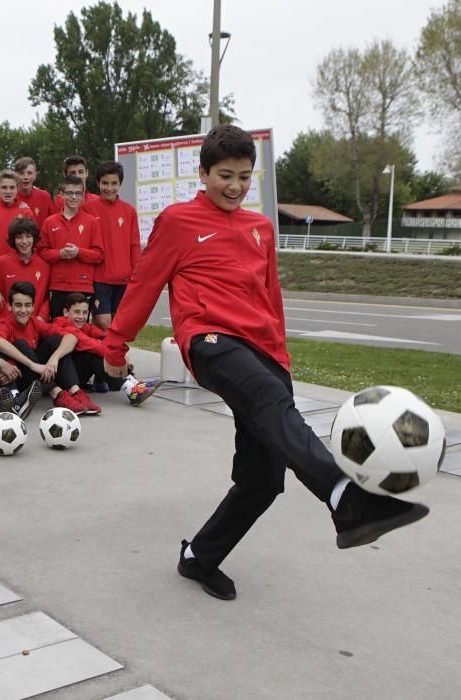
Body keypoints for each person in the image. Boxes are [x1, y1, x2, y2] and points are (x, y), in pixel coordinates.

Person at [104, 124, 429, 601]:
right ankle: (346, 498)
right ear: (203, 173)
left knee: (262, 480)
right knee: (266, 398)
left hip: (263, 351)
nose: (234, 186)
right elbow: (145, 284)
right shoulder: (178, 221)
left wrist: (282, 357)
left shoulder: (260, 229)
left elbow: (271, 297)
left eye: (242, 176)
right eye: (224, 175)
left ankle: (199, 557)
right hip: (210, 340)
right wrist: (116, 348)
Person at [0, 281, 101, 415]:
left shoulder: (34, 322)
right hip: (17, 377)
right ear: (9, 306)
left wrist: (54, 358)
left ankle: (76, 392)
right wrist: (32, 365)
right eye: (18, 305)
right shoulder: (4, 323)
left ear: (33, 307)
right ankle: (58, 395)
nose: (23, 310)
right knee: (21, 344)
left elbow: (71, 337)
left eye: (27, 305)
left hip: (38, 375)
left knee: (56, 341)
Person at [55, 292, 162, 403]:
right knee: (94, 353)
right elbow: (94, 346)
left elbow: (106, 338)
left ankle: (135, 384)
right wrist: (120, 358)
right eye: (77, 312)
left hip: (77, 373)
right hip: (64, 380)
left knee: (106, 344)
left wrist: (119, 353)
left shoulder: (84, 326)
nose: (81, 316)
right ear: (66, 312)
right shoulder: (64, 326)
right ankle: (132, 391)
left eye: (85, 312)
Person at [83, 161, 142, 331]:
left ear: (120, 184)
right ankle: (103, 355)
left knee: (120, 324)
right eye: (105, 183)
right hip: (99, 278)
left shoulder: (129, 211)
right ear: (98, 183)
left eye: (114, 183)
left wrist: (135, 277)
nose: (109, 188)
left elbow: (134, 246)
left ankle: (112, 356)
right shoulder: (87, 209)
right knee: (102, 322)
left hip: (124, 279)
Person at [38, 175, 104, 318]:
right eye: (69, 193)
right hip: (57, 285)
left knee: (80, 329)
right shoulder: (50, 222)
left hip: (82, 285)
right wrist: (59, 254)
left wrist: (79, 252)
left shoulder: (92, 222)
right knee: (57, 328)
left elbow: (99, 255)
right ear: (62, 195)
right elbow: (42, 252)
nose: (73, 197)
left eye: (78, 193)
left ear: (83, 196)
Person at [0, 217, 50, 320]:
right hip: (6, 325)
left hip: (35, 326)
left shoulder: (45, 265)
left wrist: (41, 317)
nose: (24, 241)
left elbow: (47, 298)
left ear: (34, 238)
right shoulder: (0, 263)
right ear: (13, 240)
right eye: (19, 237)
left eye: (28, 236)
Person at [0, 170, 34, 258]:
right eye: (4, 187)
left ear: (17, 189)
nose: (8, 191)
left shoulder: (26, 211)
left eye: (12, 187)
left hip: (17, 265)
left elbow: (31, 241)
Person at [14, 157, 54, 228]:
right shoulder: (10, 197)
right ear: (15, 175)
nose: (26, 177)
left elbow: (53, 224)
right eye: (21, 173)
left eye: (29, 173)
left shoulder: (45, 197)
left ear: (35, 175)